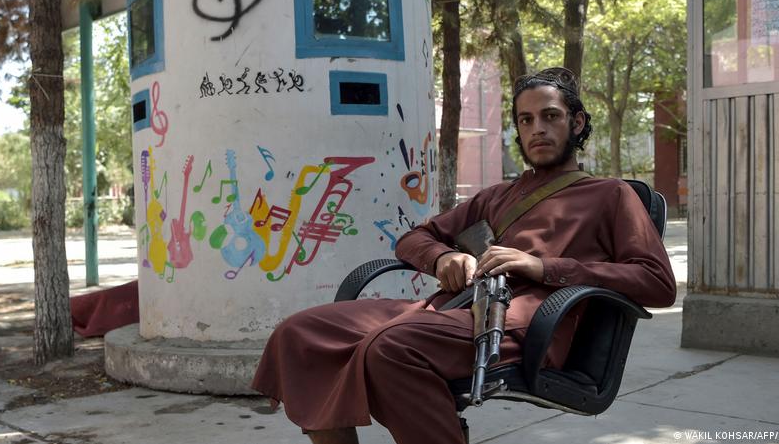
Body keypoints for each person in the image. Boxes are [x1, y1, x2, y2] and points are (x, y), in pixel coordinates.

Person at [251, 67, 676, 444]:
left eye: (551, 116)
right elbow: (415, 237)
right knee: (299, 333)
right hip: (444, 311)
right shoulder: (497, 196)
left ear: (576, 122)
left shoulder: (611, 195)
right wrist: (441, 259)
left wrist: (544, 267)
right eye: (526, 120)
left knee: (391, 348)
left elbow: (656, 282)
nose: (537, 129)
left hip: (522, 327)